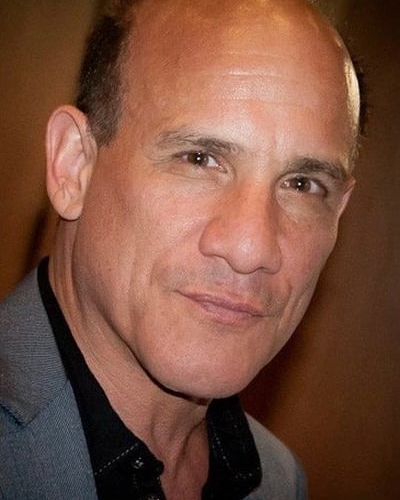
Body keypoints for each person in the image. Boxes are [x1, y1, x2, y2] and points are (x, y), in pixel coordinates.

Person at [0, 0, 361, 498]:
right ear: (73, 165)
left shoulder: (280, 480)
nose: (251, 248)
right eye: (200, 158)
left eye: (302, 184)